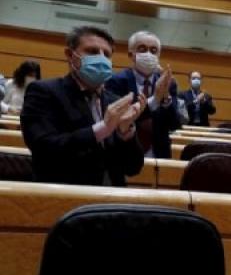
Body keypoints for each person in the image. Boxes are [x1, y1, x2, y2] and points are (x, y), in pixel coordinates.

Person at [21, 26, 145, 186]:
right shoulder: (44, 92)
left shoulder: (115, 101)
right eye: (92, 51)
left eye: (106, 54)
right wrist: (103, 128)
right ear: (70, 55)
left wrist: (125, 133)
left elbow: (133, 168)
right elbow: (44, 150)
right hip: (64, 197)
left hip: (112, 201)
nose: (101, 58)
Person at [105, 31, 181, 159]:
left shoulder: (168, 83)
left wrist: (166, 96)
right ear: (131, 54)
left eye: (153, 50)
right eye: (142, 49)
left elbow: (174, 124)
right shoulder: (116, 81)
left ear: (158, 56)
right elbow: (118, 121)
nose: (148, 54)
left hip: (158, 152)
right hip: (126, 151)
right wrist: (155, 99)